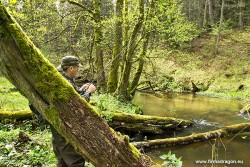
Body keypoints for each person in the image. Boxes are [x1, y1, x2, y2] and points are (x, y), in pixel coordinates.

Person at [30, 55, 96, 167]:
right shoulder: (64, 82)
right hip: (66, 128)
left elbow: (67, 99)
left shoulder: (58, 79)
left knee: (62, 161)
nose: (78, 70)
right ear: (71, 68)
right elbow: (75, 108)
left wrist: (80, 91)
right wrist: (88, 93)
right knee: (75, 161)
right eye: (77, 67)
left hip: (57, 127)